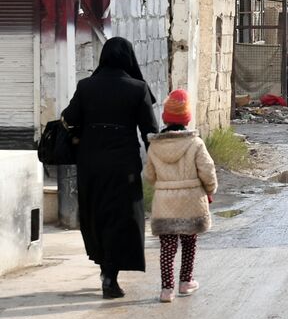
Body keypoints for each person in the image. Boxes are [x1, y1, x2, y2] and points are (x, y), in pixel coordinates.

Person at [60, 36, 159, 299]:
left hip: (90, 163)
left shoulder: (86, 86)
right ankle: (111, 276)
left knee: (96, 214)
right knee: (122, 217)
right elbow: (150, 132)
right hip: (123, 164)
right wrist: (160, 169)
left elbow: (68, 118)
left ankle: (106, 269)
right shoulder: (138, 89)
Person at [143, 90, 217, 303]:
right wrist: (210, 190)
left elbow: (149, 175)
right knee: (189, 242)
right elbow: (207, 171)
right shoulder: (195, 143)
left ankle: (167, 289)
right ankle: (186, 282)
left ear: (166, 118)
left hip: (164, 203)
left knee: (167, 247)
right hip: (191, 201)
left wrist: (164, 184)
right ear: (187, 118)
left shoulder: (155, 145)